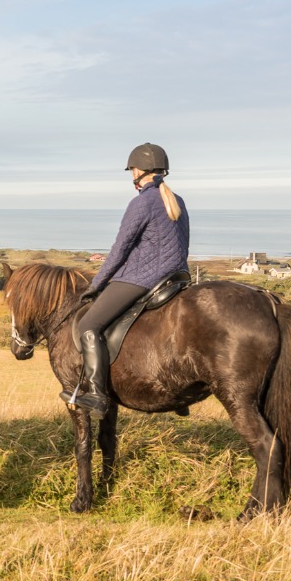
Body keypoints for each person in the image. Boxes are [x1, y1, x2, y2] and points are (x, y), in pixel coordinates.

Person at [67, 142, 190, 419]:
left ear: (138, 171)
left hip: (142, 278)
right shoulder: (176, 200)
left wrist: (96, 285)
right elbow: (183, 245)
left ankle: (97, 396)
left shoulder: (141, 203)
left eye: (131, 170)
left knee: (89, 324)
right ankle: (180, 395)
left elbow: (119, 250)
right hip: (176, 278)